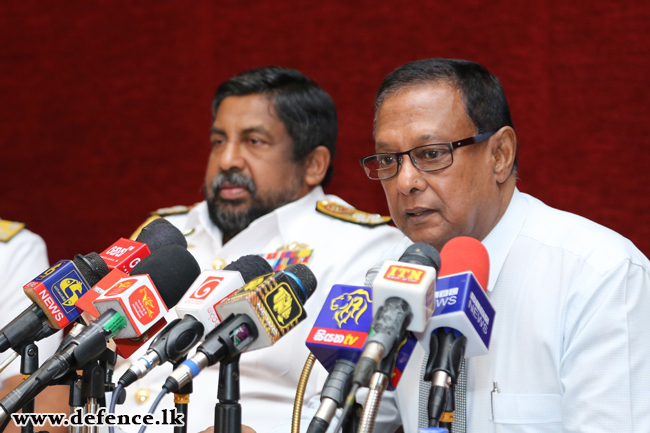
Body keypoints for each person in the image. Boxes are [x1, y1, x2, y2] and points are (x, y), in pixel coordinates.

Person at [357, 58, 650, 432]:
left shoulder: (599, 275)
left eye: (431, 154)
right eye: (388, 160)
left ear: (500, 155)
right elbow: (356, 416)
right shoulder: (388, 275)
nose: (405, 182)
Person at [114, 66, 405, 433]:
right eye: (219, 141)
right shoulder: (162, 234)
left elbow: (359, 403)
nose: (227, 160)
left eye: (254, 142)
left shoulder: (363, 249)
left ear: (313, 164)